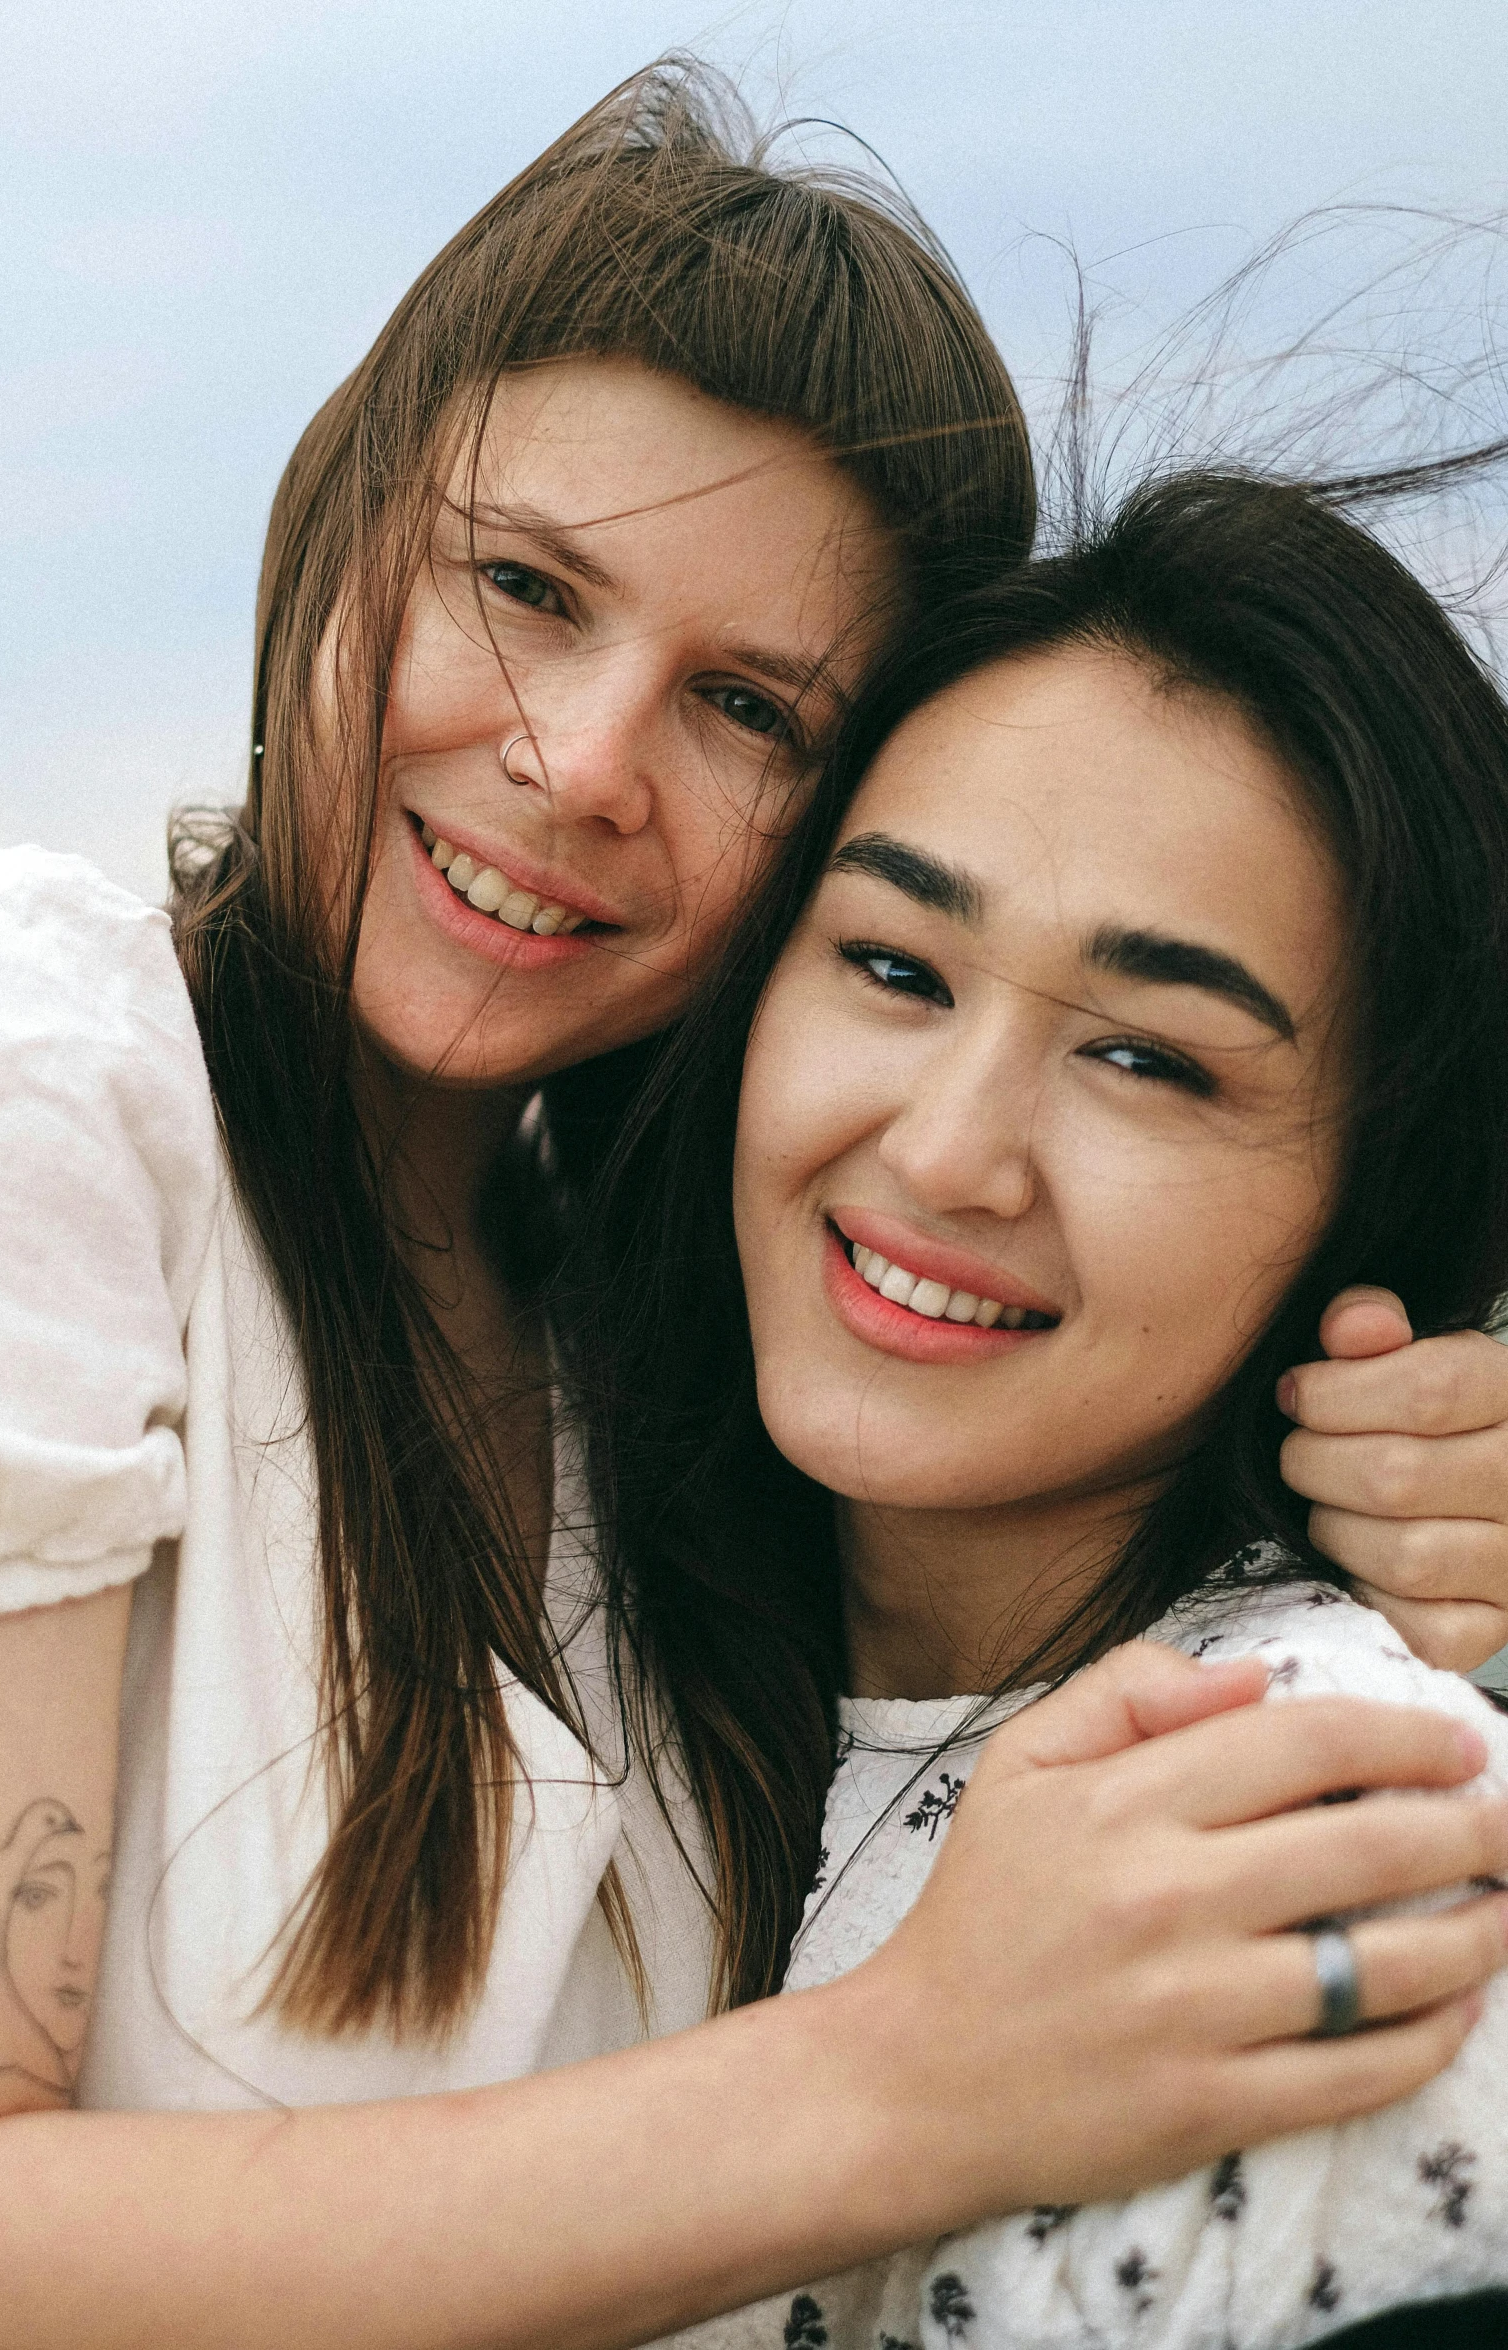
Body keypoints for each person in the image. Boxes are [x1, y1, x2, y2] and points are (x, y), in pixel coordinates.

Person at [0, 58, 1508, 2350]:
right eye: (522, 584)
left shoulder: (658, 1353)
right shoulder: (39, 1072)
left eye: (750, 706)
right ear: (340, 504)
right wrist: (913, 2074)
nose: (581, 763)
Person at [582, 469, 1508, 2345]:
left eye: (1148, 1058)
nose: (946, 1150)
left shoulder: (1327, 1830)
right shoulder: (565, 1554)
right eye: (893, 965)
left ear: (1373, 1193)